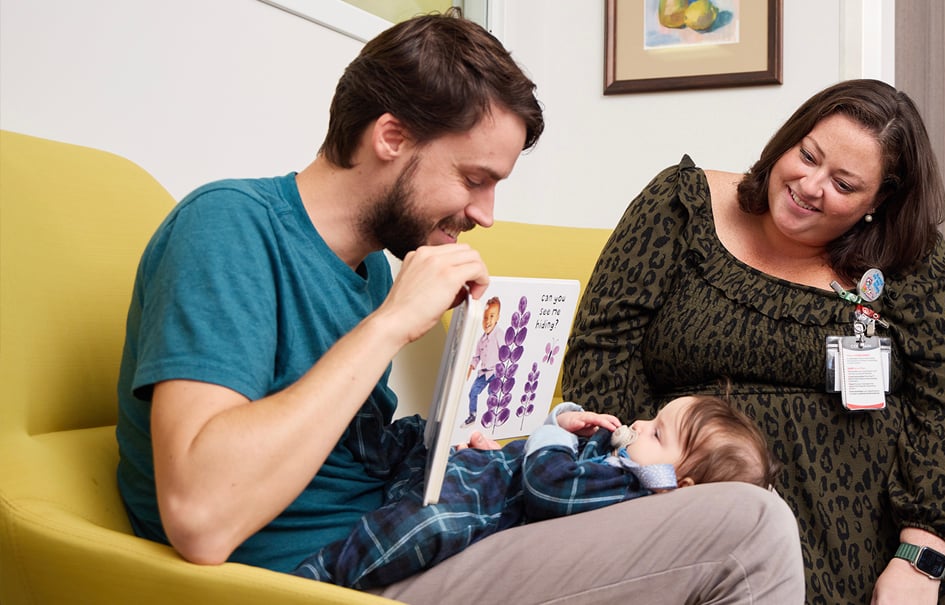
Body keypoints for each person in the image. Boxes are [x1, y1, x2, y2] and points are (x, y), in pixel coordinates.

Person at [114, 9, 805, 604]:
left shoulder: (362, 272)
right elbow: (200, 515)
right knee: (750, 526)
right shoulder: (230, 227)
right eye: (474, 179)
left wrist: (479, 439)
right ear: (391, 137)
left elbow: (350, 455)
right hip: (328, 576)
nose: (485, 213)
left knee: (743, 501)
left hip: (408, 538)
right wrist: (391, 325)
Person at [562, 79, 945, 605]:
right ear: (788, 140)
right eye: (807, 156)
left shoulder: (912, 259)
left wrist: (919, 556)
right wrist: (637, 478)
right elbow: (601, 352)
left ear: (879, 201)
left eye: (844, 184)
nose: (810, 186)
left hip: (886, 510)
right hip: (709, 488)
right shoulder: (680, 207)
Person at [292, 394, 780, 590]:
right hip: (488, 472)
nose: (638, 424)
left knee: (424, 526)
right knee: (416, 436)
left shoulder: (630, 487)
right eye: (653, 417)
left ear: (679, 488)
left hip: (482, 507)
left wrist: (555, 432)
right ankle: (347, 431)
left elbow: (548, 484)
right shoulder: (622, 464)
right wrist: (566, 419)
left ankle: (322, 577)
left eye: (656, 433)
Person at [462, 296, 501, 425]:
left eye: (491, 316)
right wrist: (470, 369)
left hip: (496, 372)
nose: (488, 321)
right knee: (472, 393)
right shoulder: (481, 340)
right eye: (485, 317)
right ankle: (472, 415)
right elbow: (477, 356)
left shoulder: (499, 334)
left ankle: (493, 416)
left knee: (492, 394)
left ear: (497, 318)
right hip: (483, 373)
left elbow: (506, 351)